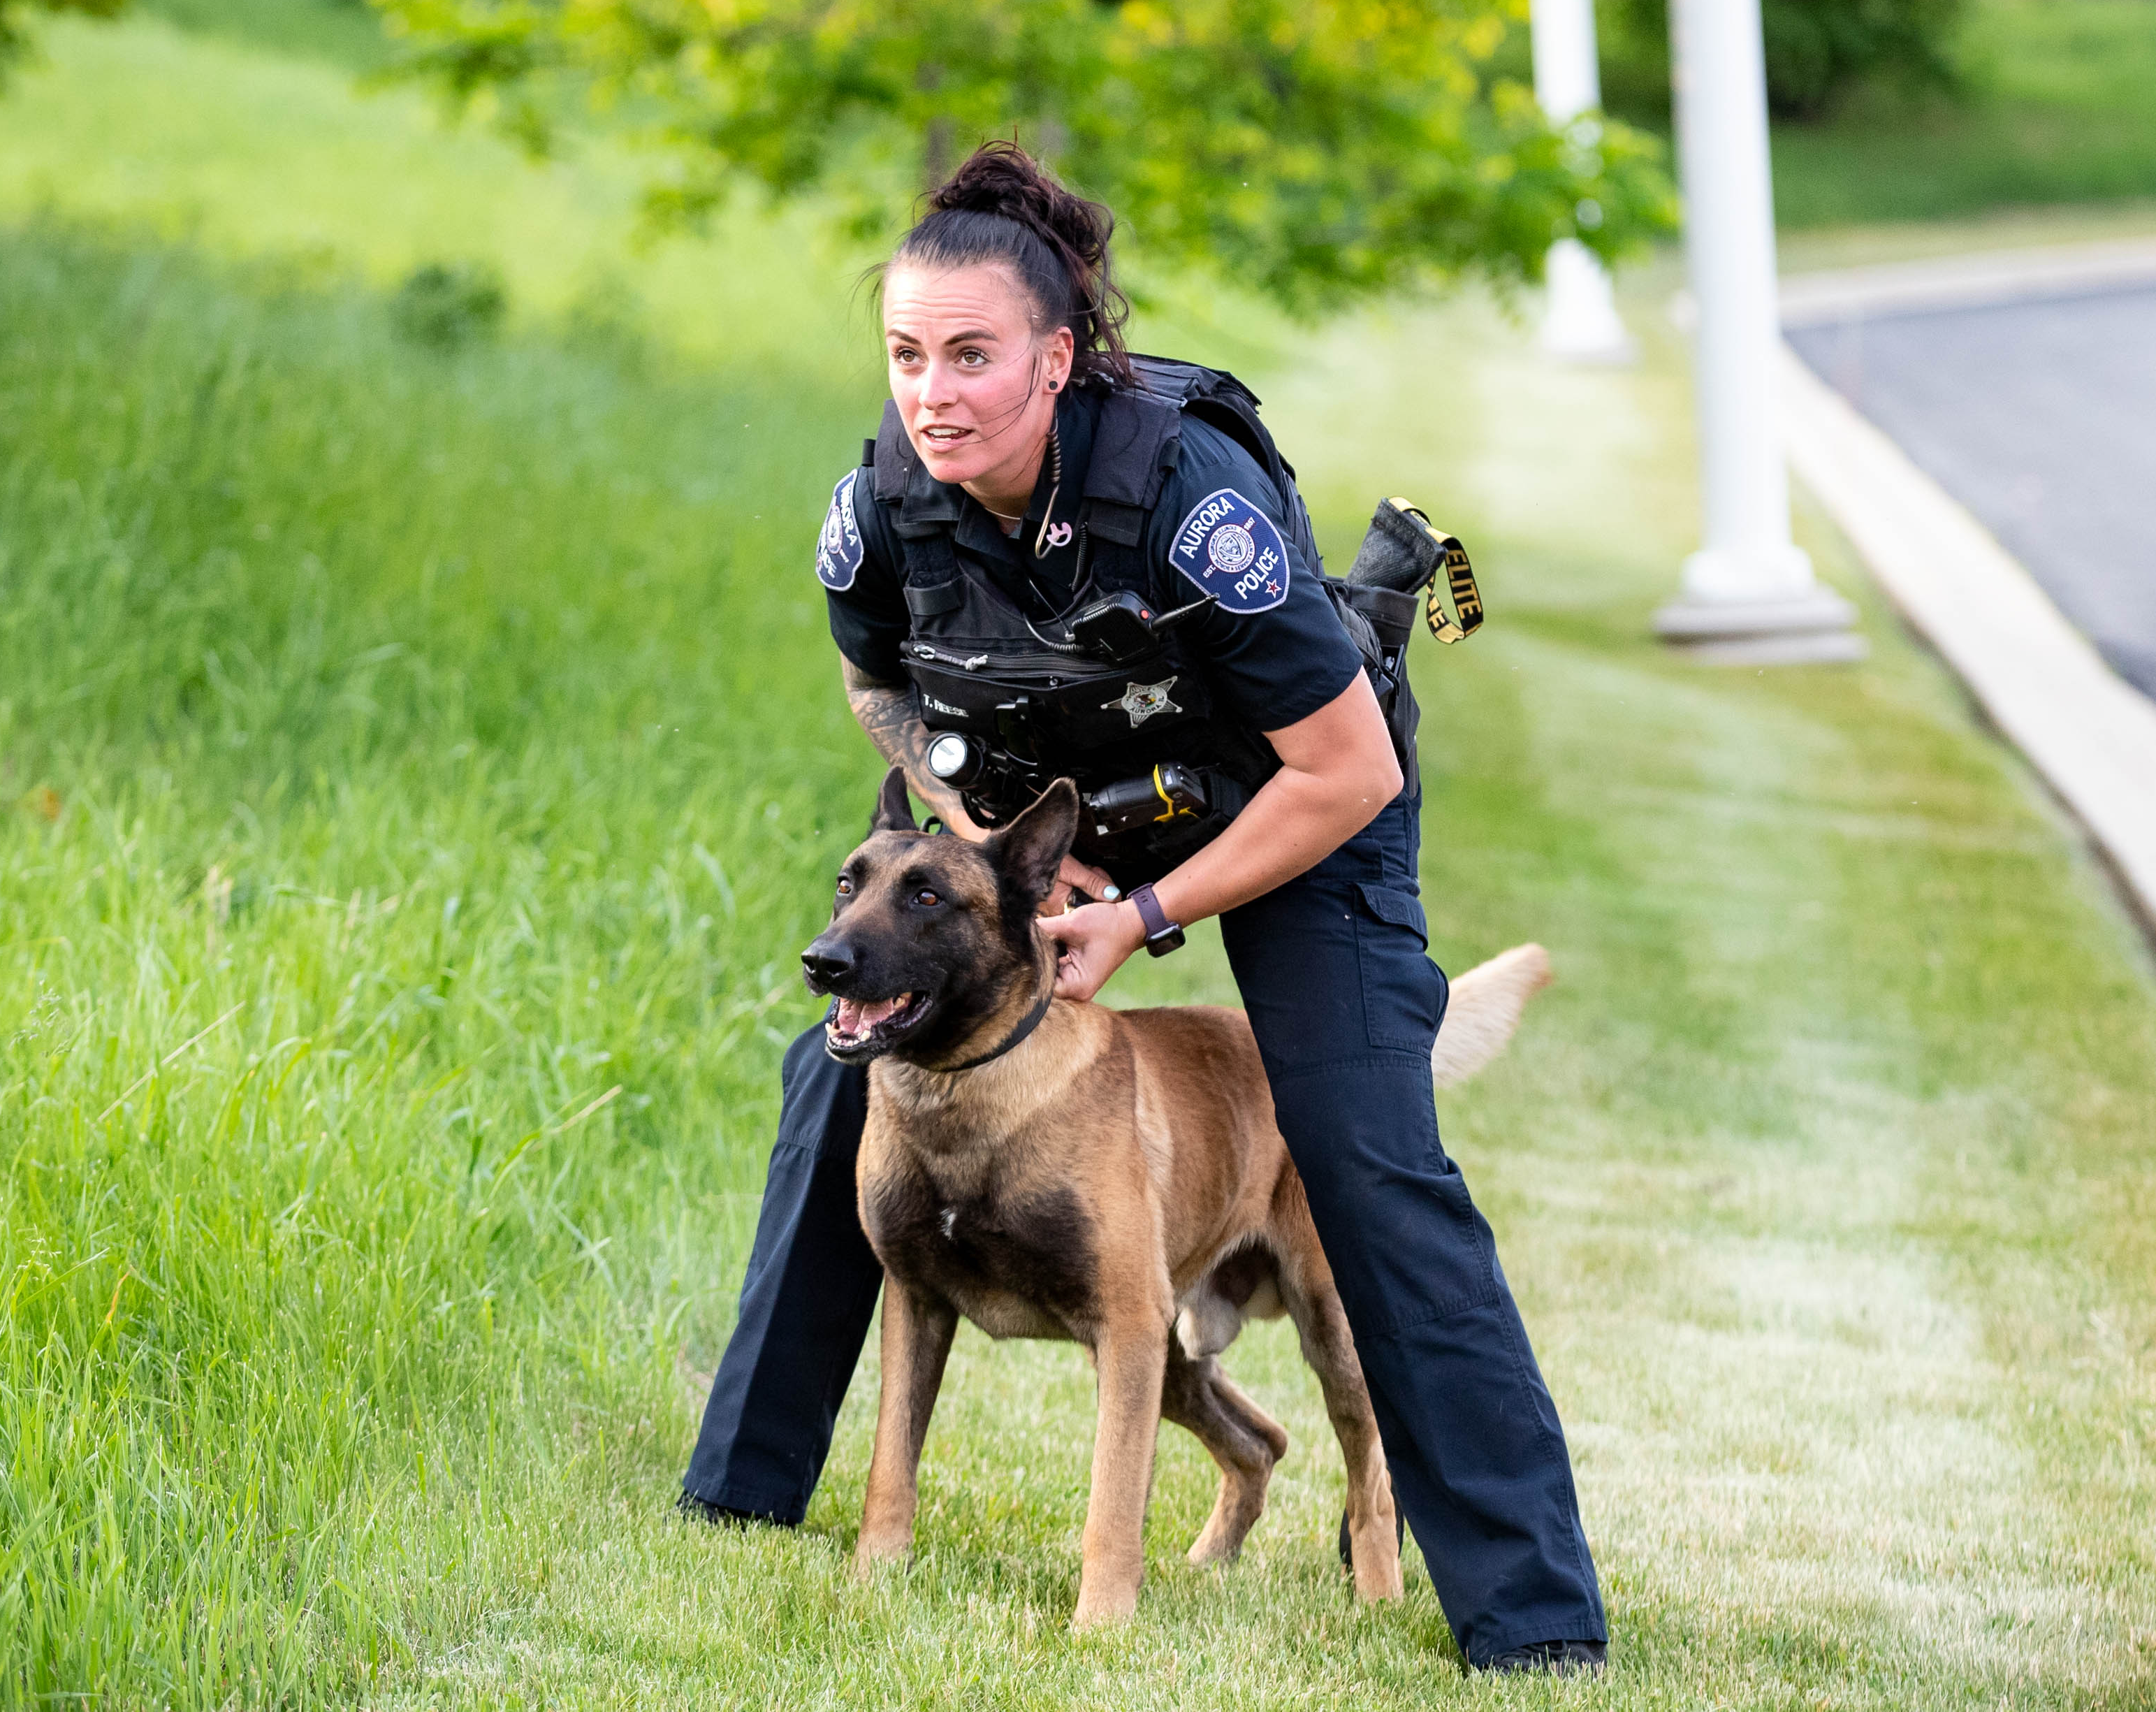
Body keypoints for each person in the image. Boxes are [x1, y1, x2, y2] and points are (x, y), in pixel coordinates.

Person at [678, 143, 1608, 1676]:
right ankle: (743, 1504)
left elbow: (1345, 766)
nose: (935, 390)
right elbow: (879, 690)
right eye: (908, 354)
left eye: (973, 354)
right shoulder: (877, 511)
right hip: (1082, 810)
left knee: (1365, 1149)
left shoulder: (1190, 500)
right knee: (833, 1074)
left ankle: (1534, 1621)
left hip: (1302, 805)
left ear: (1058, 356)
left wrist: (1152, 908)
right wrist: (998, 852)